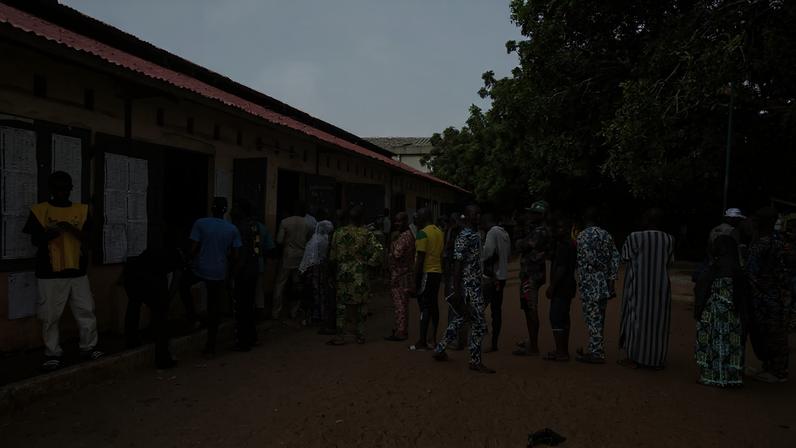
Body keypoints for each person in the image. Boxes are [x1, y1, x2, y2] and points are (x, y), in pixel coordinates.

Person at [23, 171, 103, 372]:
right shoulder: (40, 210)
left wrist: (70, 228)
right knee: (49, 315)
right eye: (58, 189)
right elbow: (34, 240)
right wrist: (52, 232)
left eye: (65, 189)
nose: (62, 193)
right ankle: (52, 353)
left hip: (77, 272)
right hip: (49, 274)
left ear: (70, 190)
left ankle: (89, 347)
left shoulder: (82, 210)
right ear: (51, 189)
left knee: (86, 311)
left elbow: (90, 240)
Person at [432, 205, 495, 374]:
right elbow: (458, 264)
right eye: (475, 214)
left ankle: (440, 348)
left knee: (463, 318)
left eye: (479, 213)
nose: (478, 216)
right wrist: (458, 289)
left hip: (474, 284)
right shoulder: (465, 236)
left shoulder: (474, 234)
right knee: (479, 323)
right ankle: (474, 360)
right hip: (468, 287)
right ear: (466, 216)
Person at [618, 208, 674, 369]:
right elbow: (670, 262)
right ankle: (656, 359)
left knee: (635, 319)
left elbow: (625, 257)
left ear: (646, 220)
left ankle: (634, 357)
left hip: (638, 287)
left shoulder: (635, 237)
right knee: (658, 322)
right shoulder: (669, 239)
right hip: (661, 288)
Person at [186, 197, 242, 356]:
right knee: (214, 308)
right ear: (226, 211)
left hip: (200, 269)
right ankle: (210, 345)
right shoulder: (232, 229)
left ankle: (193, 316)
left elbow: (193, 248)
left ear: (212, 208)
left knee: (183, 286)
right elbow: (236, 255)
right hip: (218, 272)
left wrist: (188, 260)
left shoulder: (200, 223)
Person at [693, 235, 750, 387]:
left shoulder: (714, 268)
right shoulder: (739, 270)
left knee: (712, 344)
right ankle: (731, 378)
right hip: (734, 317)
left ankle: (712, 376)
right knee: (731, 345)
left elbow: (699, 285)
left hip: (713, 315)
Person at [327, 205, 383, 345]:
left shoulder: (338, 233)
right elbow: (379, 250)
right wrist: (369, 263)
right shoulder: (366, 233)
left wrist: (331, 274)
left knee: (341, 305)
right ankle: (360, 335)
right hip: (360, 274)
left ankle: (341, 336)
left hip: (342, 273)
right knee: (361, 305)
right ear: (361, 218)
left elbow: (332, 257)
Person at [746, 207, 790, 383]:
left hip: (763, 298)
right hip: (777, 296)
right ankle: (774, 368)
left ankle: (776, 371)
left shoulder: (760, 245)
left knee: (767, 334)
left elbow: (751, 273)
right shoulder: (779, 241)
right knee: (777, 333)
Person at [574, 207, 620, 364]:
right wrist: (610, 277)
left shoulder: (582, 236)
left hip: (589, 282)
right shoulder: (607, 235)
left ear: (585, 219)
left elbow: (588, 257)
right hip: (604, 283)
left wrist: (599, 267)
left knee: (592, 317)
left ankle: (596, 353)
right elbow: (615, 257)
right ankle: (595, 348)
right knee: (600, 317)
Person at [123, 245, 181, 368]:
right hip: (149, 279)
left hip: (132, 275)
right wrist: (167, 300)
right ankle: (162, 359)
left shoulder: (159, 250)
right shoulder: (177, 257)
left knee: (134, 306)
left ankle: (131, 340)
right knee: (161, 319)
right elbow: (175, 281)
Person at [513, 200, 550, 357]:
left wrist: (520, 234)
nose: (529, 215)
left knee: (531, 308)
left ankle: (533, 346)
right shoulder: (536, 230)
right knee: (528, 308)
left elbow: (521, 246)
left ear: (540, 215)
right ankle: (531, 342)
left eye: (533, 213)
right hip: (531, 273)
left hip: (532, 274)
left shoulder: (540, 232)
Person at [410, 208, 445, 351]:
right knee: (433, 306)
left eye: (417, 217)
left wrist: (414, 282)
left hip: (426, 273)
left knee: (424, 307)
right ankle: (432, 339)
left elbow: (420, 260)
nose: (415, 220)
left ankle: (422, 341)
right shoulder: (439, 231)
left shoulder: (422, 233)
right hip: (437, 273)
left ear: (424, 218)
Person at [543, 217, 577, 361]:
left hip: (562, 286)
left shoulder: (564, 245)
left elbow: (561, 268)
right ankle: (563, 350)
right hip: (569, 285)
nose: (557, 230)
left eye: (560, 228)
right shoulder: (570, 244)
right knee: (564, 317)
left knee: (556, 317)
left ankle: (560, 352)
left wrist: (552, 286)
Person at [273, 202, 313, 320]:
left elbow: (279, 240)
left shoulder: (285, 222)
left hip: (287, 256)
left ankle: (276, 311)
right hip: (301, 256)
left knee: (280, 283)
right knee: (297, 283)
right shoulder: (307, 224)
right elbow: (309, 241)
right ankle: (294, 311)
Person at [230, 201, 261, 351]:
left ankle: (243, 341)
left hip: (245, 271)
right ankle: (251, 337)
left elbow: (241, 256)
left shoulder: (241, 228)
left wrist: (234, 273)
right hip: (253, 269)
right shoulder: (253, 225)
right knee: (248, 305)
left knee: (242, 307)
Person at [481, 213, 511, 352]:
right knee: (496, 311)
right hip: (502, 276)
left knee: (478, 308)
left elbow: (488, 254)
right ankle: (494, 343)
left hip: (491, 277)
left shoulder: (492, 233)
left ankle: (481, 340)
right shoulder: (505, 233)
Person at [385, 212, 415, 341]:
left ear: (406, 221)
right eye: (396, 221)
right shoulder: (409, 235)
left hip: (400, 276)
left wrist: (391, 244)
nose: (397, 224)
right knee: (402, 304)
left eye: (400, 221)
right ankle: (400, 329)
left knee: (400, 305)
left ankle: (401, 332)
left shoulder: (403, 237)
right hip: (404, 274)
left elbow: (396, 255)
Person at [299, 220, 334, 326]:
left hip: (314, 269)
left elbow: (309, 258)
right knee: (322, 291)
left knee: (315, 292)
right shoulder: (325, 240)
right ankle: (322, 314)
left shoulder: (315, 240)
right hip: (322, 268)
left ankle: (315, 315)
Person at [442, 212, 467, 349]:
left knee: (454, 306)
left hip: (456, 275)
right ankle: (459, 338)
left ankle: (454, 339)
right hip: (463, 275)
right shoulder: (466, 233)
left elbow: (449, 258)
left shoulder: (454, 233)